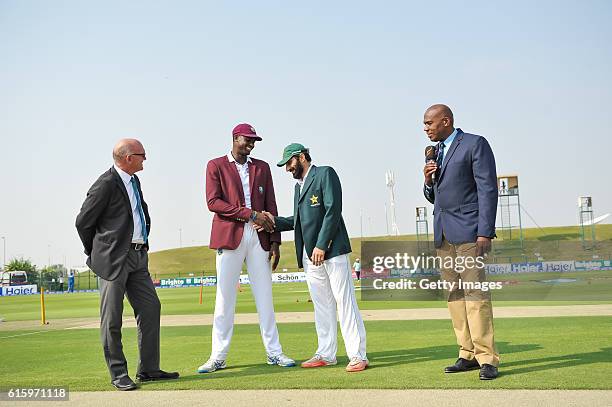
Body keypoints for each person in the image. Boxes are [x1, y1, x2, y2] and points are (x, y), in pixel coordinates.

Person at [75, 139, 178, 391]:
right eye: (142, 155)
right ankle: (118, 373)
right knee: (112, 318)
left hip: (138, 258)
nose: (146, 159)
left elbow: (136, 215)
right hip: (113, 260)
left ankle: (148, 369)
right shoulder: (106, 184)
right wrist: (98, 252)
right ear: (128, 157)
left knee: (151, 307)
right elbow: (83, 222)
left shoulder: (134, 181)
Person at [197, 123, 295, 373]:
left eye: (254, 140)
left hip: (260, 236)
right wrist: (250, 214)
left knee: (265, 298)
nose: (251, 144)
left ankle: (274, 353)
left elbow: (271, 203)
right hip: (230, 235)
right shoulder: (215, 165)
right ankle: (218, 356)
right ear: (234, 138)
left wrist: (275, 241)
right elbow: (213, 202)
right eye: (247, 139)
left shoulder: (262, 167)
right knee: (224, 300)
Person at [265, 143, 368, 372]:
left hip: (331, 250)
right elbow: (299, 220)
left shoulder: (325, 174)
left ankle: (358, 355)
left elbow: (333, 210)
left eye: (289, 163)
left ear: (301, 157)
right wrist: (272, 220)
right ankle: (326, 353)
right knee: (322, 305)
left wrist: (322, 244)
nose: (287, 169)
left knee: (345, 302)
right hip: (309, 256)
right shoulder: (298, 188)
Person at [422, 104, 500, 380]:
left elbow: (487, 189)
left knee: (475, 295)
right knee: (454, 296)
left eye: (429, 123)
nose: (426, 128)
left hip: (469, 233)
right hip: (443, 234)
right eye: (424, 124)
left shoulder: (474, 144)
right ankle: (466, 353)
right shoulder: (435, 152)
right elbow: (434, 197)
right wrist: (428, 181)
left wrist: (484, 231)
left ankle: (487, 357)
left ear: (446, 121)